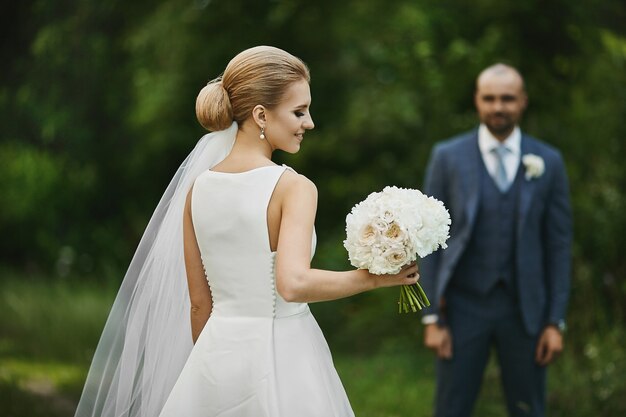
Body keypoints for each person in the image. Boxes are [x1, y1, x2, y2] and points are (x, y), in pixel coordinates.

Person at [74, 46, 419, 417]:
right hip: (285, 355)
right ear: (260, 115)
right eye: (299, 111)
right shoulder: (294, 187)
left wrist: (210, 373)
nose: (310, 122)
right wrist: (370, 280)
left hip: (216, 356)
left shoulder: (198, 189)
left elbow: (198, 303)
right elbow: (293, 284)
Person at [420, 63, 572, 417]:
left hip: (526, 311)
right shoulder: (447, 156)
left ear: (522, 102)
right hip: (461, 308)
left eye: (507, 99)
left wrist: (555, 321)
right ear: (477, 100)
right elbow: (427, 241)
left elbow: (559, 246)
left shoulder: (549, 161)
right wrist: (430, 318)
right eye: (489, 98)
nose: (498, 107)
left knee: (527, 407)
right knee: (451, 407)